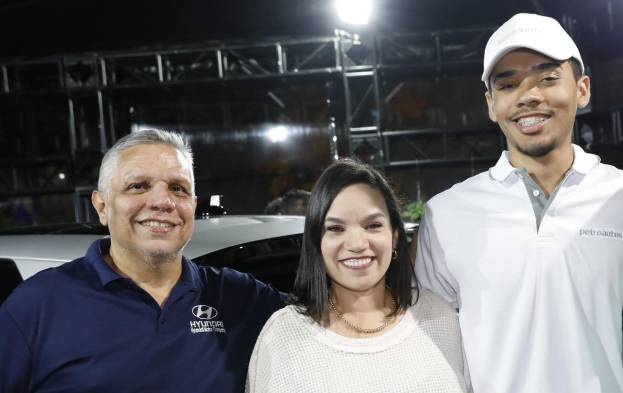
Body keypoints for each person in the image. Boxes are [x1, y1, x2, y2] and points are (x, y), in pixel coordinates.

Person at [415, 13, 623, 393]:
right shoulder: (445, 214)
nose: (528, 96)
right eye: (508, 84)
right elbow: (433, 348)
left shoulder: (618, 196)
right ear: (491, 104)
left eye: (547, 78)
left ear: (582, 89)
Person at [0, 130, 284, 393]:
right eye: (138, 186)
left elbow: (324, 316)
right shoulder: (36, 305)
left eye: (178, 188)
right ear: (102, 206)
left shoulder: (240, 297)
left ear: (193, 206)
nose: (163, 201)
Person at [247, 158, 467, 393]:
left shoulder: (440, 318)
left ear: (394, 236)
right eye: (336, 229)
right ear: (316, 242)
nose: (357, 243)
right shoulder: (282, 336)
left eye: (372, 225)